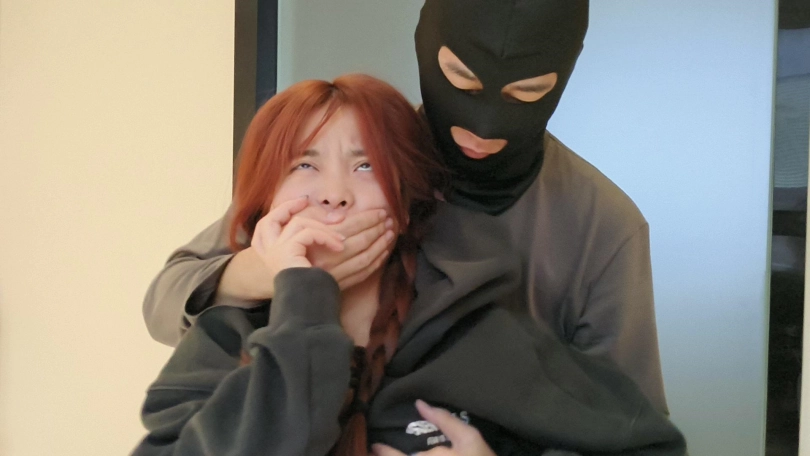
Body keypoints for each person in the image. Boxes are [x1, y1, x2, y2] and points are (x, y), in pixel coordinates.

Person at [142, 0, 668, 414]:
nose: (484, 126)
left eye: (525, 92)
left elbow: (629, 423)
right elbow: (165, 306)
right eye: (462, 79)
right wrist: (260, 273)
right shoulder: (349, 169)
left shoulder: (603, 227)